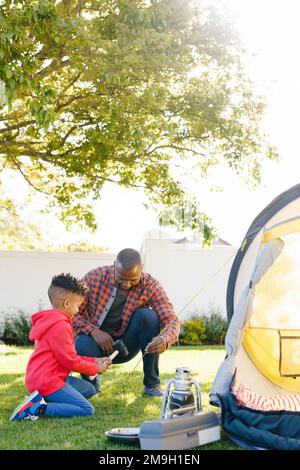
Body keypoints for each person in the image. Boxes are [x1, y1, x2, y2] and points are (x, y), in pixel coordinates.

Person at [73, 248, 180, 397]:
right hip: (93, 345)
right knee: (81, 342)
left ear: (142, 269)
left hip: (126, 345)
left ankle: (152, 384)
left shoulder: (151, 285)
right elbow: (70, 314)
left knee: (148, 316)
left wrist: (165, 339)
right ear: (114, 266)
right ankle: (92, 386)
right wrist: (94, 331)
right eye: (122, 278)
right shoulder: (94, 277)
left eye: (133, 280)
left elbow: (171, 320)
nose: (127, 284)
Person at [10, 273, 111, 421]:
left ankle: (40, 398)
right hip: (47, 381)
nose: (78, 310)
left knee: (89, 389)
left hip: (43, 378)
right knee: (87, 409)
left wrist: (94, 360)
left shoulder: (52, 321)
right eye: (78, 306)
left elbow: (68, 355)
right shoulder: (60, 326)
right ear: (67, 304)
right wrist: (95, 369)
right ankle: (38, 407)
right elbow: (71, 361)